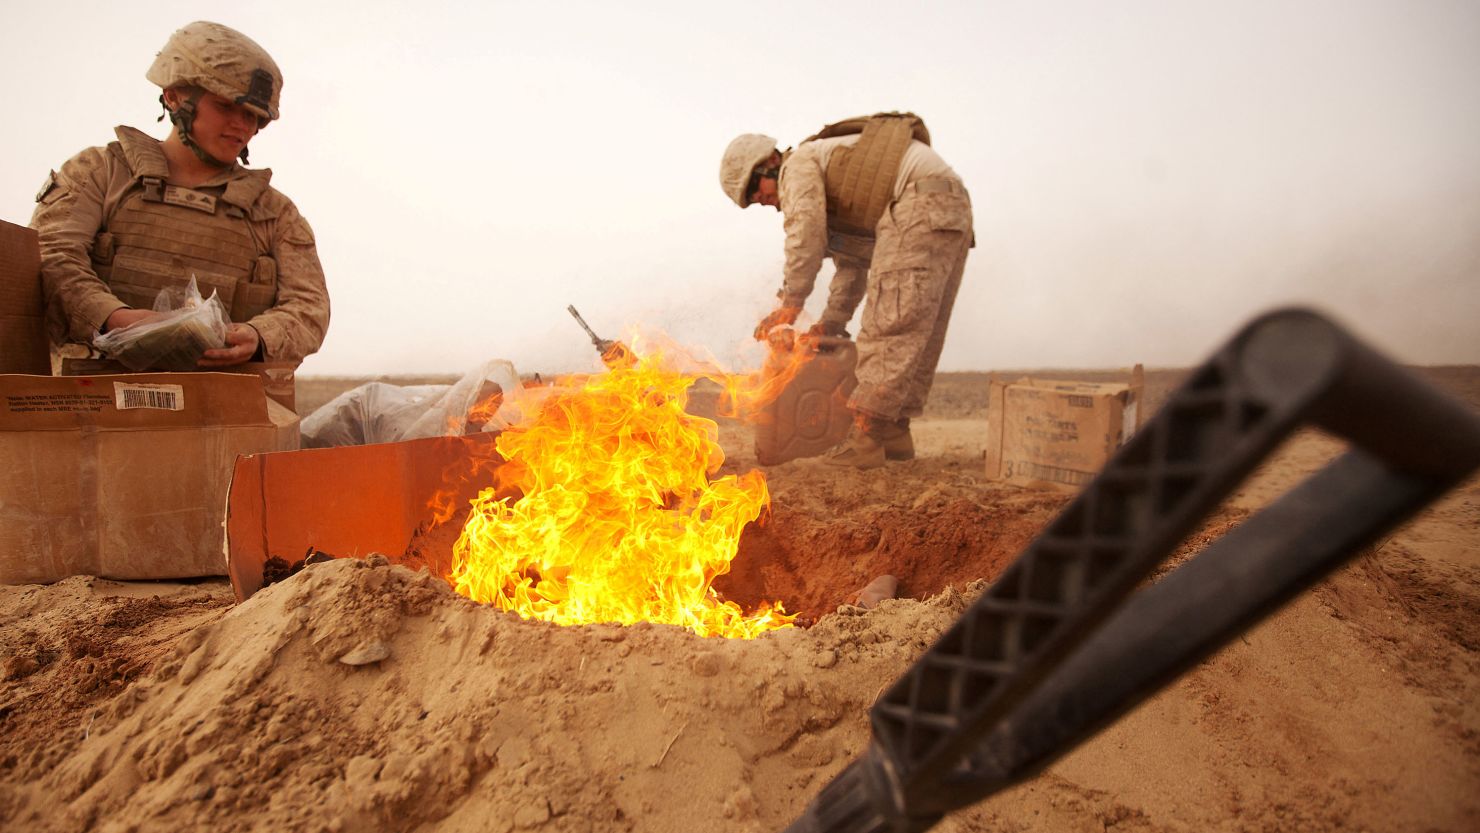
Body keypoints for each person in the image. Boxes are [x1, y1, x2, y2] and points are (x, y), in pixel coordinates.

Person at [30, 21, 329, 373]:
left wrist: (256, 335)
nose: (241, 125)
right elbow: (49, 257)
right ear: (174, 96)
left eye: (252, 115)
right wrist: (114, 317)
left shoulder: (274, 212)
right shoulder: (99, 173)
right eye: (225, 106)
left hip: (222, 405)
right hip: (93, 397)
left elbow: (309, 307)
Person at [719, 113, 973, 469]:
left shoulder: (799, 165)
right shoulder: (839, 186)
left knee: (890, 323)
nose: (759, 201)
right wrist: (832, 322)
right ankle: (894, 435)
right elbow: (853, 266)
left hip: (920, 204)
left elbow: (804, 234)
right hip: (949, 209)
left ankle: (867, 440)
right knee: (916, 325)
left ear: (770, 163)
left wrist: (791, 303)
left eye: (753, 190)